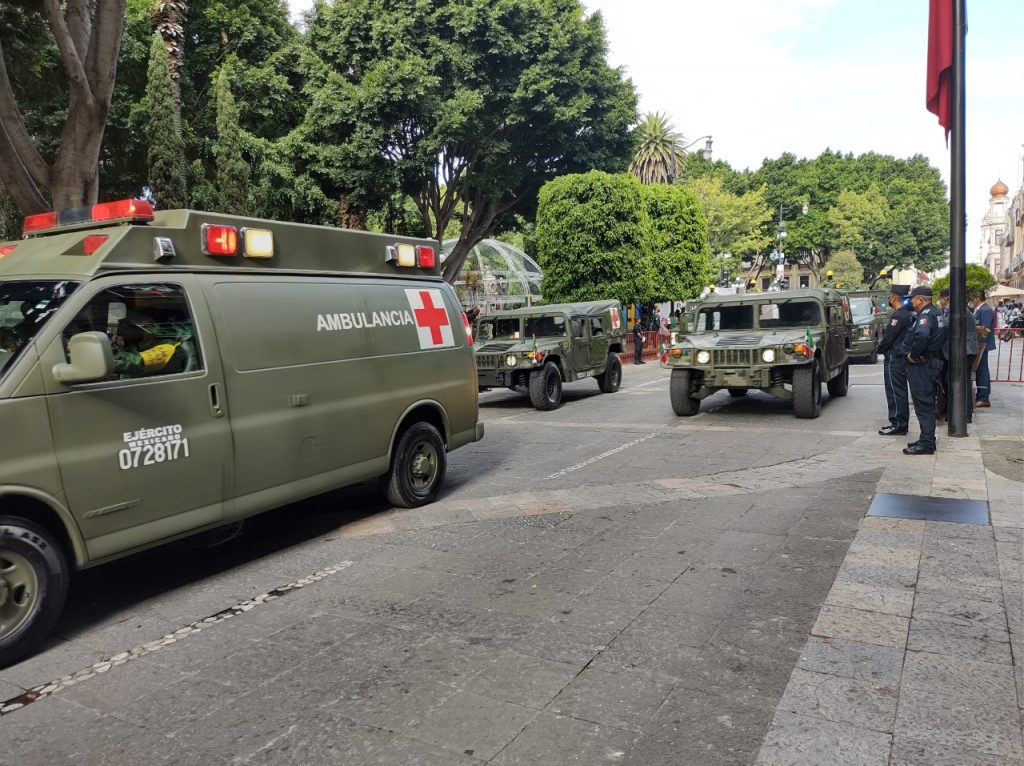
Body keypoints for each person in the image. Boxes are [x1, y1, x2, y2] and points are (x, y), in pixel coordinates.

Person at [901, 286, 946, 455]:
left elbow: (923, 336)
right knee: (925, 402)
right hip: (930, 362)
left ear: (920, 299)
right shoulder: (936, 313)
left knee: (923, 404)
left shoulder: (926, 316)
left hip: (922, 364)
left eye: (913, 299)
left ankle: (927, 442)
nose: (911, 302)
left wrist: (913, 354)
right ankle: (926, 438)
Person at [877, 285, 913, 435]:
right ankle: (898, 422)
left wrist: (879, 349)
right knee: (899, 390)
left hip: (894, 357)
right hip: (899, 356)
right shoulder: (907, 314)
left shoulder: (899, 316)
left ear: (894, 297)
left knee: (895, 390)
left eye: (890, 296)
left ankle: (899, 423)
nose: (889, 298)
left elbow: (889, 337)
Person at [936, 288, 976, 423]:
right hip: (965, 350)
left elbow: (945, 327)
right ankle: (964, 413)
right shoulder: (959, 308)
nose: (940, 301)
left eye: (941, 299)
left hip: (963, 351)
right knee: (963, 381)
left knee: (956, 381)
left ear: (946, 299)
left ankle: (961, 414)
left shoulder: (955, 309)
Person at [971, 291, 995, 408]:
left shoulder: (986, 310)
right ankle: (981, 394)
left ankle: (984, 397)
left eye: (972, 299)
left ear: (977, 298)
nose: (971, 301)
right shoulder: (980, 309)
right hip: (979, 344)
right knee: (980, 370)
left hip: (982, 345)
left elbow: (984, 330)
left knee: (982, 370)